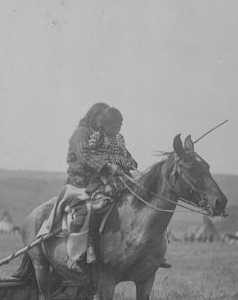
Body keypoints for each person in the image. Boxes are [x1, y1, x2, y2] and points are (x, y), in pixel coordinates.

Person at [63, 104, 168, 271]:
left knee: (145, 199)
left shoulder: (115, 137)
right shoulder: (83, 134)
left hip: (112, 177)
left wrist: (130, 164)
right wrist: (109, 167)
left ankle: (151, 250)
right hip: (84, 180)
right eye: (100, 117)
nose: (101, 122)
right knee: (93, 207)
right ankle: (83, 250)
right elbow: (87, 157)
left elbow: (124, 154)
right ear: (95, 117)